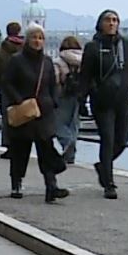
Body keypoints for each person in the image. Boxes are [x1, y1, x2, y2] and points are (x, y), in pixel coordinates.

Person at [80, 9, 128, 200]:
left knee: (122, 141)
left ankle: (103, 166)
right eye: (108, 20)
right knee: (108, 140)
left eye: (115, 20)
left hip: (124, 100)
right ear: (100, 23)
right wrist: (82, 100)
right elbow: (85, 77)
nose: (112, 23)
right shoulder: (93, 48)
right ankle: (109, 183)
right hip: (102, 101)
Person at [0, 24, 68, 202]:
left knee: (46, 150)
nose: (37, 41)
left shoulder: (47, 62)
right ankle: (16, 183)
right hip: (25, 111)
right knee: (20, 149)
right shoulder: (16, 60)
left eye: (41, 38)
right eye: (34, 37)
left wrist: (53, 101)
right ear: (27, 40)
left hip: (43, 112)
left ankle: (51, 187)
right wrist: (19, 100)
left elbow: (53, 84)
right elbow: (7, 82)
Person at [0, 21, 24, 159]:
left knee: (7, 118)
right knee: (23, 117)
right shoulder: (25, 49)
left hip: (6, 90)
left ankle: (10, 146)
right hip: (23, 89)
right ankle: (22, 146)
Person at [52, 35, 85, 165]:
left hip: (61, 95)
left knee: (58, 124)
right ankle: (70, 154)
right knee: (74, 124)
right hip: (78, 96)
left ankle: (68, 143)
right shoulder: (84, 61)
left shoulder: (58, 61)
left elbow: (54, 78)